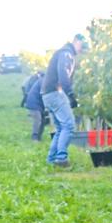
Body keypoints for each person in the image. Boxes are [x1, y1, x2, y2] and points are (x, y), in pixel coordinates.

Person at [42, 34, 86, 167]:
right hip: (55, 93)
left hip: (47, 94)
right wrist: (70, 94)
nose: (82, 51)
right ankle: (61, 159)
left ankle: (52, 159)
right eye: (82, 47)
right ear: (76, 42)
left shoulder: (63, 52)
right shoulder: (66, 54)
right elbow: (63, 75)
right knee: (68, 125)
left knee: (61, 128)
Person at [21, 69, 47, 141]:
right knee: (37, 120)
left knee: (43, 120)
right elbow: (43, 93)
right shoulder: (43, 81)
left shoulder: (43, 80)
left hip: (37, 103)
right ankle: (34, 137)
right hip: (34, 103)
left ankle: (39, 137)